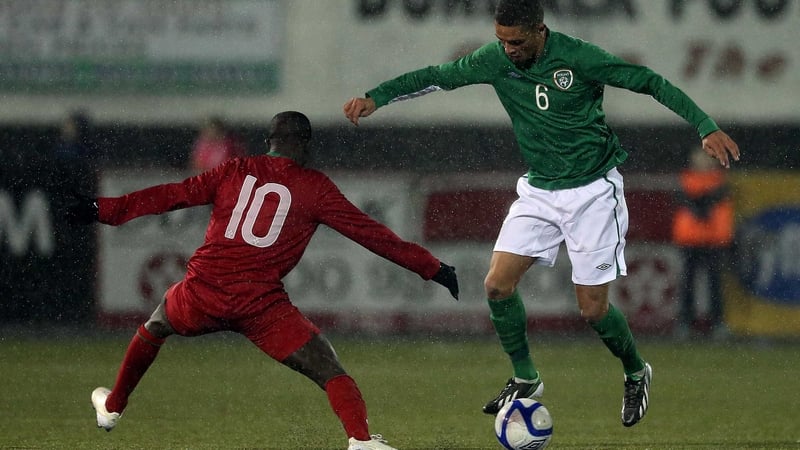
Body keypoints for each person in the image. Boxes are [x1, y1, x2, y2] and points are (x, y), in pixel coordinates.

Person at [343, 0, 740, 428]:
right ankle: (526, 377)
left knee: (592, 311)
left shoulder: (579, 57)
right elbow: (436, 78)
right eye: (501, 40)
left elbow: (647, 81)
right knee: (496, 285)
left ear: (539, 30)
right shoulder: (495, 60)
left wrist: (705, 125)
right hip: (539, 191)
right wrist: (375, 97)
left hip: (593, 192)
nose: (508, 49)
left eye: (515, 41)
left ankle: (634, 370)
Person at [66, 111, 459, 450]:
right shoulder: (315, 187)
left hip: (204, 291)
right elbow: (372, 234)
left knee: (154, 327)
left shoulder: (235, 170)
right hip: (260, 306)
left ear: (269, 141)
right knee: (329, 368)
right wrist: (432, 268)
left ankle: (113, 407)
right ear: (305, 145)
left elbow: (172, 195)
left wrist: (104, 209)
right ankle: (360, 439)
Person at [672, 146, 735, 341]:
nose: (704, 162)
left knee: (714, 284)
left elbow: (707, 199)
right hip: (691, 239)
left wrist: (700, 203)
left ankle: (717, 323)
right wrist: (702, 203)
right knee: (688, 283)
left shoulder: (719, 181)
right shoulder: (686, 180)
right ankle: (685, 323)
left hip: (713, 239)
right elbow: (688, 199)